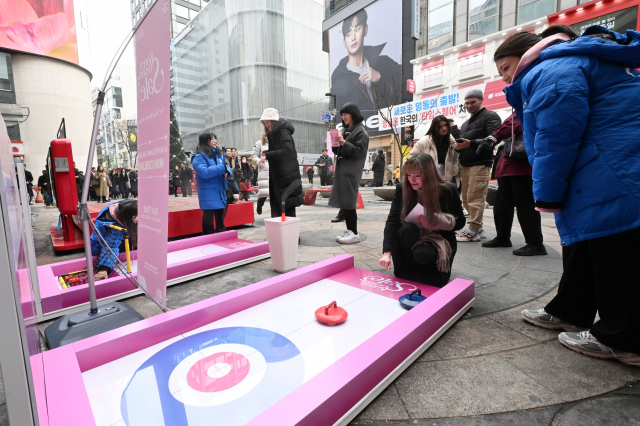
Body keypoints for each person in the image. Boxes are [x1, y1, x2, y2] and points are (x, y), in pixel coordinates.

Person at [496, 25, 640, 366]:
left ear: (528, 53)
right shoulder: (572, 62)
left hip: (612, 167)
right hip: (606, 165)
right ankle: (570, 311)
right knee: (589, 244)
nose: (505, 78)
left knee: (614, 249)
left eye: (506, 68)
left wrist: (546, 194)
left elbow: (556, 136)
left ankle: (624, 337)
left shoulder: (549, 69)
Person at [379, 154, 465, 287]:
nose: (412, 180)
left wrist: (435, 222)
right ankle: (409, 268)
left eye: (417, 175)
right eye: (408, 175)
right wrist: (387, 253)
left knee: (423, 256)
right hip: (409, 239)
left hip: (436, 239)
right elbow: (393, 221)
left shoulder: (447, 190)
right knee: (407, 229)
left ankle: (429, 270)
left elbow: (460, 222)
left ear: (429, 174)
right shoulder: (402, 189)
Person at [480, 112, 546, 256]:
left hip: (520, 166)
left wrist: (492, 137)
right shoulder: (519, 107)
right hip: (508, 165)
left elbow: (511, 125)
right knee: (502, 205)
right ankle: (503, 237)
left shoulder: (525, 107)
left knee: (525, 205)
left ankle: (535, 244)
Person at [330, 9, 401, 114]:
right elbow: (338, 116)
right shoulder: (338, 79)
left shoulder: (384, 63)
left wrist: (380, 77)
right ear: (344, 42)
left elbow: (405, 80)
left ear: (365, 30)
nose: (353, 37)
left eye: (357, 29)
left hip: (390, 125)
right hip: (360, 129)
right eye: (348, 34)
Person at [454, 88, 502, 243]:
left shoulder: (490, 116)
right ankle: (477, 228)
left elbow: (496, 137)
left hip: (480, 163)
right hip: (466, 164)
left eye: (473, 102)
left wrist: (471, 143)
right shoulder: (466, 123)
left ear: (482, 100)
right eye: (467, 103)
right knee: (467, 199)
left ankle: (473, 229)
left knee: (476, 197)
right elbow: (464, 142)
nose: (469, 105)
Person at [329, 102, 369, 244]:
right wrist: (336, 144)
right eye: (342, 115)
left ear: (353, 114)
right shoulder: (347, 130)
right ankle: (350, 231)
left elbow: (359, 152)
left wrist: (344, 143)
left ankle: (354, 233)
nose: (343, 117)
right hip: (343, 170)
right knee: (345, 202)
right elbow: (340, 151)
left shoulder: (361, 131)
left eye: (345, 114)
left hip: (351, 171)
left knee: (349, 202)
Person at [259, 108, 304, 218]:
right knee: (279, 208)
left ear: (273, 120)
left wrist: (269, 155)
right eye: (264, 122)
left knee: (287, 210)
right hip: (280, 178)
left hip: (286, 178)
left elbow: (287, 151)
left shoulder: (283, 132)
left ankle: (290, 235)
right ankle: (281, 234)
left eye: (267, 121)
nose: (266, 124)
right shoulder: (275, 133)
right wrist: (269, 153)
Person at [192, 133, 231, 234]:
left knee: (220, 216)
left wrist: (228, 172)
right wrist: (222, 168)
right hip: (208, 191)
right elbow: (204, 172)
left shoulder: (218, 155)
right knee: (208, 215)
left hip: (219, 190)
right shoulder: (198, 157)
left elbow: (227, 167)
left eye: (215, 139)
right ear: (206, 141)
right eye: (212, 139)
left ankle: (221, 237)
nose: (215, 141)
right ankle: (207, 238)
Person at [90, 200, 137, 281]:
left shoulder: (125, 209)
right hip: (100, 249)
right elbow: (111, 246)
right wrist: (104, 269)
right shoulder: (115, 229)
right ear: (133, 217)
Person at [410, 115, 459, 185]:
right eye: (440, 126)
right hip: (429, 176)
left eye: (445, 125)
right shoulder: (425, 140)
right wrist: (423, 170)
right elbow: (412, 156)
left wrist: (454, 168)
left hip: (447, 175)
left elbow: (455, 158)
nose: (444, 128)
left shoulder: (451, 141)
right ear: (435, 127)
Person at [251, 131, 270, 215]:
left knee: (275, 194)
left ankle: (276, 214)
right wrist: (259, 161)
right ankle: (260, 204)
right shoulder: (259, 143)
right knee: (264, 192)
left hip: (276, 170)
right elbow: (253, 155)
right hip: (264, 168)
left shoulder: (277, 142)